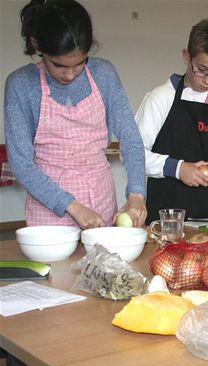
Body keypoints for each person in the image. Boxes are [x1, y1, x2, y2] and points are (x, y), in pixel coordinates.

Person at [4, 0, 147, 229]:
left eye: (80, 63)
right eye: (59, 65)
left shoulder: (104, 74)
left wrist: (136, 194)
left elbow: (130, 138)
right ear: (37, 45)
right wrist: (72, 206)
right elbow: (21, 163)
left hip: (100, 197)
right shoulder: (21, 85)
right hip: (49, 208)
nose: (70, 75)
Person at [136, 19, 208, 224]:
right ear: (187, 56)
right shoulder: (161, 98)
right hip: (165, 216)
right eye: (202, 70)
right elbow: (133, 154)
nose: (207, 80)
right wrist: (177, 168)